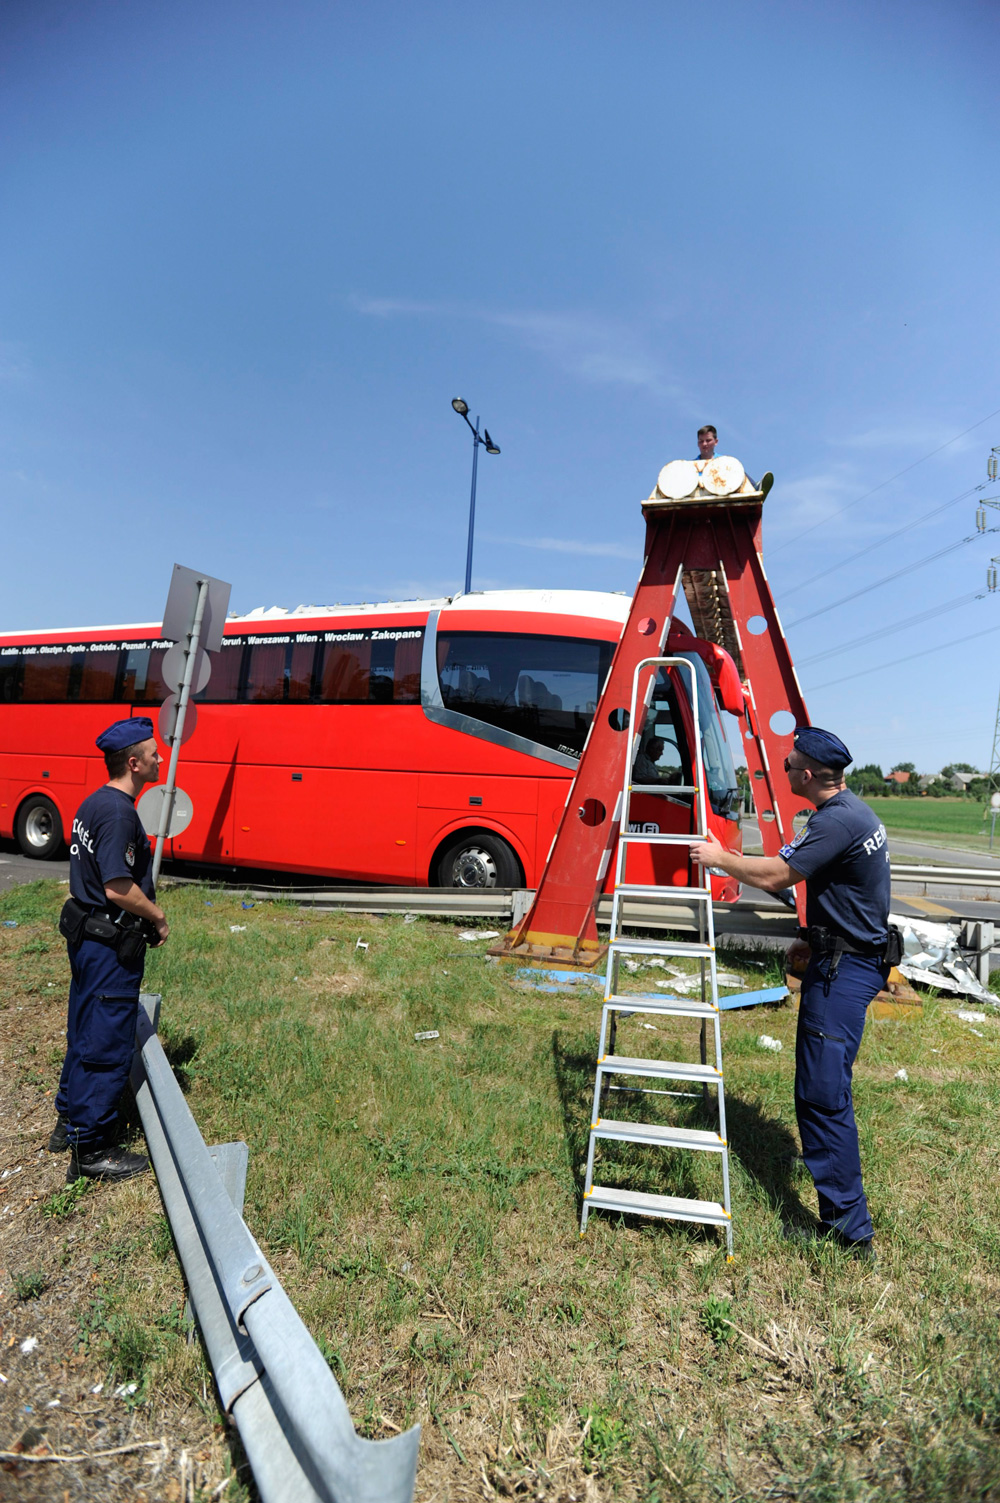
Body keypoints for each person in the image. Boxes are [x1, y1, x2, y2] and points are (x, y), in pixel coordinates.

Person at [690, 726, 895, 1259]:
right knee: (824, 1088)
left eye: (788, 765)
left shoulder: (836, 822)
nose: (784, 770)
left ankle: (850, 1232)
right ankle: (842, 1207)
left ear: (807, 775)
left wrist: (719, 859)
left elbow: (780, 875)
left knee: (823, 1095)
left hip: (844, 970)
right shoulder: (849, 813)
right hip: (846, 960)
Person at [50, 718, 169, 1182]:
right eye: (154, 753)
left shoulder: (93, 803)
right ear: (134, 763)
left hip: (88, 940)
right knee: (104, 1039)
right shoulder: (119, 813)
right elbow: (119, 888)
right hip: (107, 947)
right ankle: (92, 1148)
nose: (161, 759)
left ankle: (68, 1120)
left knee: (83, 1028)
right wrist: (157, 916)